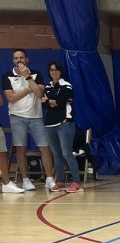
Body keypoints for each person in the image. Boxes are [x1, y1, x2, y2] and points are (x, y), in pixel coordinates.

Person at [3, 49, 57, 192]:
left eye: (21, 57)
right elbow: (11, 98)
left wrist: (28, 77)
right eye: (16, 58)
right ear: (13, 60)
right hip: (17, 116)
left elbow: (39, 93)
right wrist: (28, 90)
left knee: (44, 147)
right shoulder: (7, 76)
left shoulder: (36, 74)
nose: (19, 60)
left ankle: (49, 179)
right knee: (21, 148)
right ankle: (26, 180)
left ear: (27, 59)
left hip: (36, 116)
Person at [43, 61, 83, 192]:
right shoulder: (48, 86)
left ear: (61, 71)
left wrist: (49, 100)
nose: (54, 72)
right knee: (56, 154)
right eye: (51, 70)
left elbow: (60, 103)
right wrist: (51, 101)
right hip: (50, 124)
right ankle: (60, 180)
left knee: (67, 153)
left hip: (64, 122)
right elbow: (44, 104)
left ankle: (76, 181)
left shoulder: (67, 85)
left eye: (56, 70)